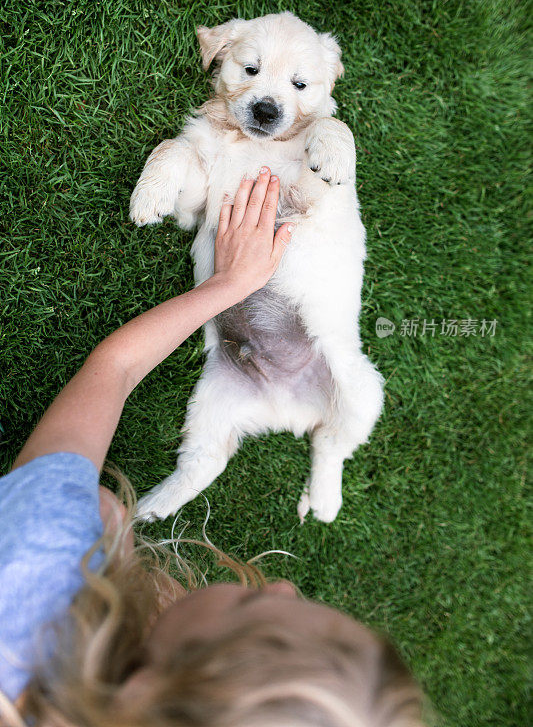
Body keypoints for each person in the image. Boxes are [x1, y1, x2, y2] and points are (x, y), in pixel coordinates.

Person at [0, 169, 426, 727]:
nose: (283, 585)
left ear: (152, 682)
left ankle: (328, 455)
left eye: (257, 606)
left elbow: (115, 369)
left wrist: (226, 286)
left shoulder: (44, 551)